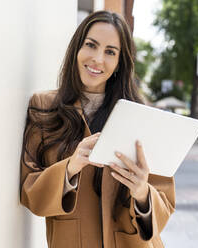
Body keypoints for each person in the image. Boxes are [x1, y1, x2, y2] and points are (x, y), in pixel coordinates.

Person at [20, 11, 175, 248]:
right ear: (77, 48)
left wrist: (142, 192)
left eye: (110, 52)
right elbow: (30, 192)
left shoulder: (141, 117)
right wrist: (70, 168)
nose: (97, 59)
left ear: (119, 63)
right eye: (91, 45)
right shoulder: (44, 107)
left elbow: (165, 204)